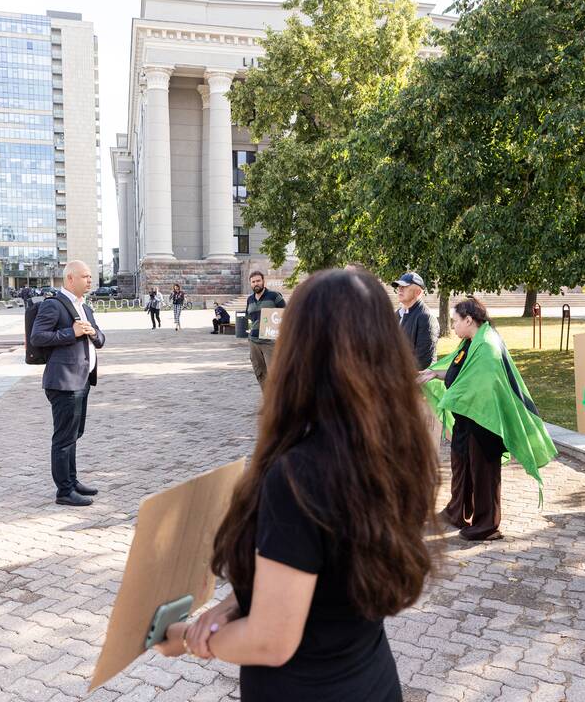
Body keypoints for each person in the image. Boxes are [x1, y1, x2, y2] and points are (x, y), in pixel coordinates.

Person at [155, 268, 439, 701]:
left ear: (301, 350)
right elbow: (316, 571)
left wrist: (182, 636)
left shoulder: (301, 475)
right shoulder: (398, 444)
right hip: (370, 677)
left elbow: (272, 640)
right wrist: (232, 607)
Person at [418, 297, 556, 541]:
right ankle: (458, 511)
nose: (453, 325)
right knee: (462, 466)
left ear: (469, 320)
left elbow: (481, 382)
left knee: (484, 474)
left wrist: (450, 388)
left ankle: (487, 526)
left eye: (455, 321)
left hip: (484, 423)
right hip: (467, 420)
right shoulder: (471, 342)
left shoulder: (487, 345)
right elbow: (457, 372)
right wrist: (434, 373)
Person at [28, 260, 106, 507]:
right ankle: (64, 491)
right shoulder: (53, 305)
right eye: (85, 276)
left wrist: (92, 332)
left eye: (90, 276)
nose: (90, 280)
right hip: (63, 382)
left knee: (74, 434)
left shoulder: (85, 308)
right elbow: (38, 337)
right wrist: (71, 333)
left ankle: (72, 481)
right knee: (63, 438)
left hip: (82, 380)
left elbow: (101, 340)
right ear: (70, 279)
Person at [245, 270, 285, 388]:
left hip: (270, 342)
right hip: (254, 342)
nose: (256, 283)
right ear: (250, 284)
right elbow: (249, 316)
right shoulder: (250, 299)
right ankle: (268, 400)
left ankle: (279, 400)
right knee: (260, 373)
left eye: (258, 281)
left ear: (263, 282)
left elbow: (286, 313)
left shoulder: (274, 296)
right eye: (253, 282)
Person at [393, 272, 439, 370]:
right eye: (399, 286)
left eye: (405, 286)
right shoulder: (398, 314)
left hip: (417, 381)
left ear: (418, 292)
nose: (400, 289)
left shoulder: (425, 318)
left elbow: (423, 362)